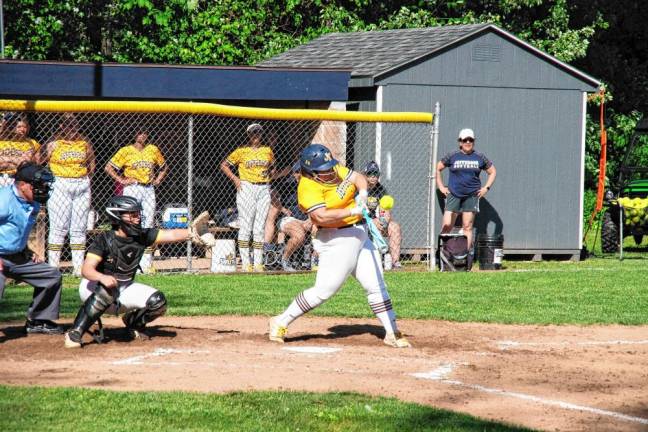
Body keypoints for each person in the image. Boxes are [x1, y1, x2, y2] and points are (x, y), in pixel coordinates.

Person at [269, 144, 411, 348]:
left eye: (329, 167)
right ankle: (280, 321)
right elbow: (321, 216)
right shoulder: (307, 187)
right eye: (323, 170)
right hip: (336, 239)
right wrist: (353, 211)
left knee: (377, 285)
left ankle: (391, 331)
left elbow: (357, 177)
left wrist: (362, 193)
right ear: (310, 172)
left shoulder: (333, 168)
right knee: (323, 291)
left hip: (360, 234)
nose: (329, 171)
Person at [64, 195, 199, 348]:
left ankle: (133, 322)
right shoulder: (105, 239)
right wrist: (102, 277)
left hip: (123, 289)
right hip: (92, 289)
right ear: (117, 216)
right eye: (132, 215)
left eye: (137, 214)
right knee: (107, 290)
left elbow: (172, 234)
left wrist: (192, 233)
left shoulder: (141, 235)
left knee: (158, 302)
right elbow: (86, 269)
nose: (137, 219)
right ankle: (74, 332)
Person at [0, 162, 64, 334]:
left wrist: (26, 249)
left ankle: (38, 320)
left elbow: (15, 231)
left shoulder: (32, 202)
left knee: (51, 276)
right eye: (37, 185)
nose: (42, 188)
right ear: (21, 185)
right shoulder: (3, 200)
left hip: (17, 256)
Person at [105, 130, 168, 273]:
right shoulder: (126, 150)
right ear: (134, 135)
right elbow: (108, 167)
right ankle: (129, 261)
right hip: (133, 187)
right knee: (130, 223)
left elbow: (164, 167)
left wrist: (158, 179)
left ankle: (146, 264)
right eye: (139, 132)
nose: (142, 135)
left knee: (148, 223)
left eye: (145, 133)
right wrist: (121, 180)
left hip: (148, 188)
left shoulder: (152, 149)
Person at [43, 113, 96, 277]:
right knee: (59, 227)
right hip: (61, 183)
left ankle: (78, 268)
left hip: (81, 183)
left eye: (74, 123)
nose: (71, 127)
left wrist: (87, 178)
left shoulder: (84, 141)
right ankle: (53, 267)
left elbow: (91, 161)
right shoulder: (54, 142)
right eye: (67, 124)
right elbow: (42, 160)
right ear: (61, 126)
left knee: (79, 228)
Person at [220, 123, 274, 272]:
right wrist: (235, 179)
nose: (256, 135)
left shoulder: (267, 150)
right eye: (253, 133)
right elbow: (224, 165)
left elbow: (272, 166)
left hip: (263, 187)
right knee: (246, 225)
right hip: (247, 186)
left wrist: (270, 174)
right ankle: (245, 263)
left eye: (258, 132)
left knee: (259, 227)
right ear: (248, 135)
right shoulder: (241, 151)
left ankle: (258, 263)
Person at [436, 128, 496, 255]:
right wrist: (441, 187)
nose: (468, 142)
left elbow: (492, 172)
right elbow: (438, 168)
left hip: (471, 196)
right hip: (454, 194)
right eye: (465, 140)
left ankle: (465, 256)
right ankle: (443, 254)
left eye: (470, 140)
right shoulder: (452, 155)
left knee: (467, 226)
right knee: (447, 225)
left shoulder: (479, 157)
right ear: (460, 142)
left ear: (473, 141)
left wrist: (486, 188)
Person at [267, 162, 313, 271]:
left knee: (319, 229)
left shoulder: (311, 184)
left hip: (307, 218)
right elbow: (272, 195)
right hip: (289, 218)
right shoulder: (287, 183)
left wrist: (311, 219)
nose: (298, 175)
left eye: (301, 172)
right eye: (296, 172)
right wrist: (282, 208)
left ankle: (312, 260)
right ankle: (285, 259)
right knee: (299, 235)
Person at [363, 161, 403, 270]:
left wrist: (384, 221)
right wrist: (371, 221)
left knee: (394, 227)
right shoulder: (359, 188)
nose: (373, 177)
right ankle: (374, 261)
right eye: (370, 174)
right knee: (374, 223)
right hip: (360, 222)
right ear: (364, 175)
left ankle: (395, 262)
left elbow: (385, 209)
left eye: (376, 174)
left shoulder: (380, 189)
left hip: (375, 222)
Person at [0, 114, 41, 187]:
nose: (22, 129)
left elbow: (30, 163)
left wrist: (6, 159)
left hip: (20, 179)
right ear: (12, 127)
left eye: (25, 127)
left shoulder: (32, 143)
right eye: (19, 127)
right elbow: (23, 162)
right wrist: (18, 160)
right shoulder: (2, 141)